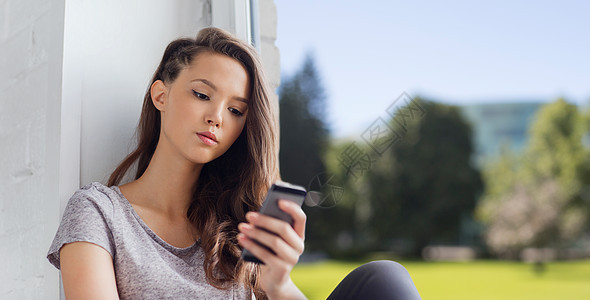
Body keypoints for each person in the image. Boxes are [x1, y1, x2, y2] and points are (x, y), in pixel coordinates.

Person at [46, 27, 421, 300]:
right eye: (201, 94)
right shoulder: (98, 213)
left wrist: (278, 285)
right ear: (160, 94)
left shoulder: (237, 224)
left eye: (235, 109)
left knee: (384, 279)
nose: (217, 117)